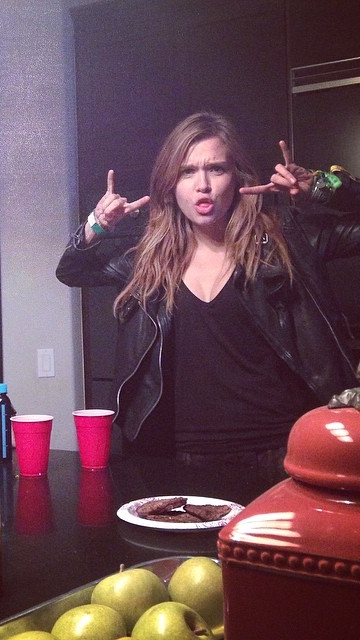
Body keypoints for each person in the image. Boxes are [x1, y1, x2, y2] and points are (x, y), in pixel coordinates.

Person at [56, 112, 360, 481]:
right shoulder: (147, 259)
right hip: (174, 457)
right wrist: (97, 224)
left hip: (280, 452)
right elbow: (71, 270)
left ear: (237, 178)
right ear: (170, 184)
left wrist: (323, 186)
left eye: (216, 169)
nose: (203, 185)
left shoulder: (286, 241)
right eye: (187, 171)